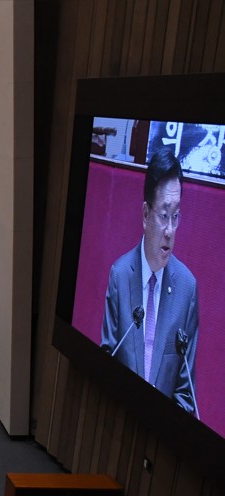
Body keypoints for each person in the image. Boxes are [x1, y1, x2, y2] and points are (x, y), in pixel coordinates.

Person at [100, 146, 199, 416]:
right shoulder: (120, 275)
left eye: (176, 216)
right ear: (145, 215)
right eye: (164, 215)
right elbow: (106, 361)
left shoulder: (187, 289)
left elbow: (184, 390)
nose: (169, 230)